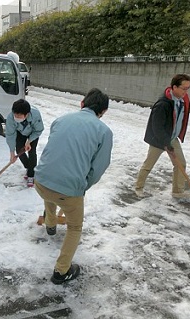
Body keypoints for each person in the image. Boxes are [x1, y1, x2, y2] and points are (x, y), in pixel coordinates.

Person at [34, 88, 113, 284]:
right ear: (103, 112)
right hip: (68, 190)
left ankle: (50, 225)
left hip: (40, 180)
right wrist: (83, 186)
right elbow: (99, 166)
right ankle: (61, 271)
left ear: (82, 103)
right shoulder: (103, 131)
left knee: (50, 194)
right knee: (75, 227)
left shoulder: (60, 120)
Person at [135, 74, 190, 198]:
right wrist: (166, 143)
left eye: (188, 88)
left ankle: (177, 191)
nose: (186, 91)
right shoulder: (163, 104)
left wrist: (173, 139)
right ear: (174, 87)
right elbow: (157, 127)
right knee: (149, 165)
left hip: (172, 138)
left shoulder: (182, 101)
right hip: (158, 140)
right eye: (184, 88)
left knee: (180, 164)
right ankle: (138, 187)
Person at [5, 99, 44, 187]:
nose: (17, 117)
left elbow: (39, 130)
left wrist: (29, 141)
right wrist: (12, 153)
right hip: (20, 132)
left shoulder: (35, 115)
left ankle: (31, 175)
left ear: (27, 114)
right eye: (16, 115)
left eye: (19, 116)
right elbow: (10, 135)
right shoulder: (11, 117)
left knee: (32, 152)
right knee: (19, 151)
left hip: (33, 133)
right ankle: (29, 167)